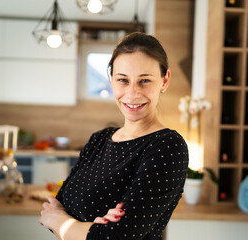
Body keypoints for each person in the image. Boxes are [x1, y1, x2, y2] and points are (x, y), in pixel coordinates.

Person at [39, 32, 189, 240]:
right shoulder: (99, 140)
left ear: (164, 81)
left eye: (144, 80)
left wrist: (59, 221)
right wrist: (93, 229)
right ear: (111, 80)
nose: (133, 93)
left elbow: (114, 236)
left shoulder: (167, 146)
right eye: (123, 80)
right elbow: (60, 203)